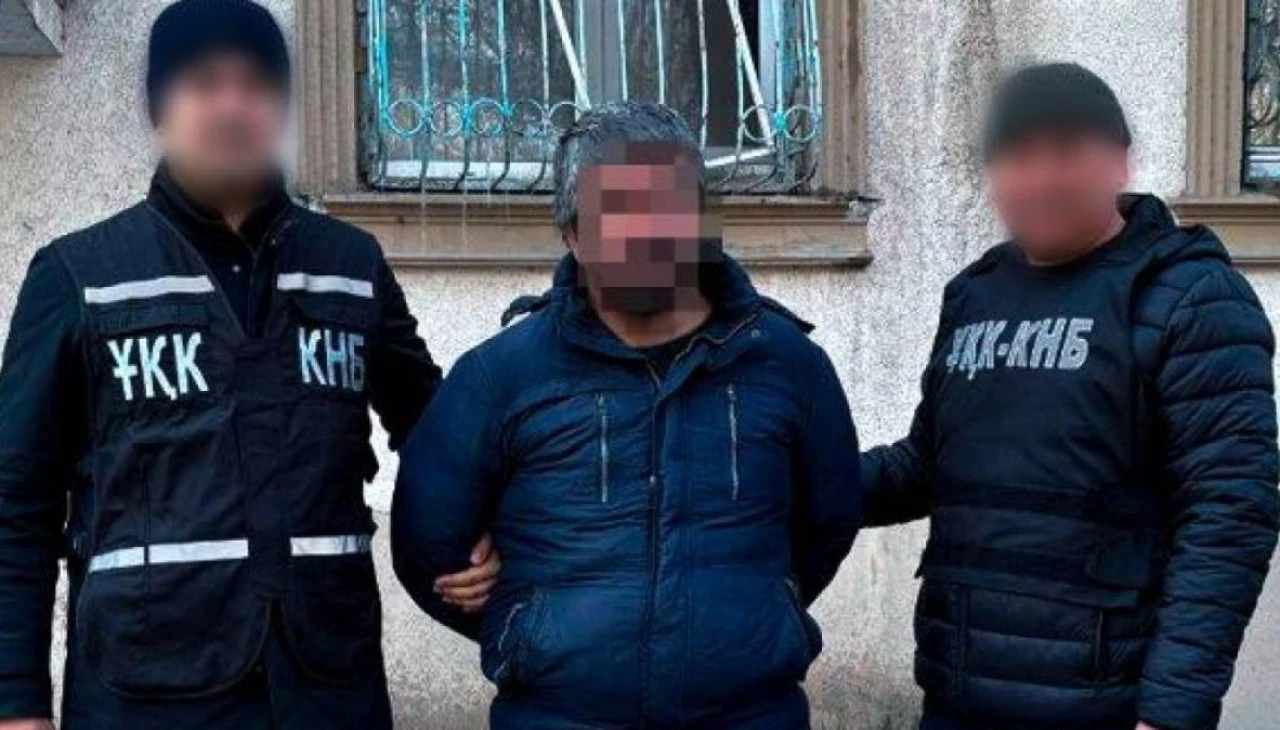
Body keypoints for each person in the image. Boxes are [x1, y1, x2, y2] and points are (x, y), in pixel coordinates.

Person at [0, 2, 495, 728]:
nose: (233, 106)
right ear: (160, 107)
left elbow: (437, 434)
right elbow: (17, 498)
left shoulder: (350, 268)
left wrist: (477, 539)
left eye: (257, 84)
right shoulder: (80, 276)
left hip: (327, 686)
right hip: (145, 693)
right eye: (204, 82)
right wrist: (15, 700)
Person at [392, 101, 862, 730]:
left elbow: (829, 522)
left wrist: (762, 609)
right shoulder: (499, 376)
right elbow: (430, 547)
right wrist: (524, 626)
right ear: (573, 235)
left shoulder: (788, 364)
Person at [864, 63, 1280, 730]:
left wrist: (1171, 712)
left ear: (1119, 162)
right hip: (956, 699)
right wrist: (795, 475)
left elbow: (1230, 513)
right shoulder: (974, 295)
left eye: (1065, 152)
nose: (1041, 178)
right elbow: (926, 465)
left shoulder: (1190, 297)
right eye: (1018, 156)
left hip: (1104, 707)